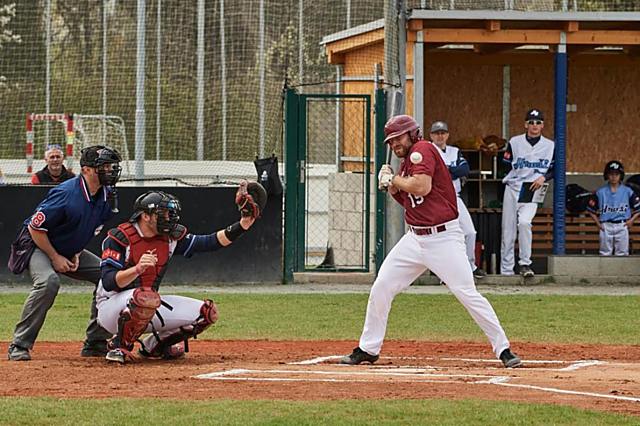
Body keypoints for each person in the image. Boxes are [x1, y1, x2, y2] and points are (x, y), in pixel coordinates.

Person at [340, 115, 521, 368]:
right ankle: (369, 348)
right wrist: (393, 189)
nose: (394, 145)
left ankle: (503, 349)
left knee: (467, 293)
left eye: (398, 138)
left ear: (412, 134)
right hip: (414, 239)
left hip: (444, 239)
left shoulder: (423, 149)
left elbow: (422, 187)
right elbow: (411, 201)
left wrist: (394, 180)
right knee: (382, 286)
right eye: (390, 141)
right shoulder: (406, 164)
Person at [97, 182, 265, 364]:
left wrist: (243, 224)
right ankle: (119, 346)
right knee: (145, 297)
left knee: (206, 313)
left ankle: (154, 346)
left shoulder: (170, 238)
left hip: (146, 301)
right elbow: (108, 282)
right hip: (111, 307)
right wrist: (137, 269)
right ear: (145, 216)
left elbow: (209, 242)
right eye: (163, 213)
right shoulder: (120, 237)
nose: (169, 217)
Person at [7, 145, 122, 361]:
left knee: (110, 276)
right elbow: (35, 227)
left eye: (111, 166)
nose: (110, 170)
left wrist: (76, 252)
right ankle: (19, 344)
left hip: (68, 248)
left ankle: (96, 342)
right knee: (49, 282)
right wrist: (54, 257)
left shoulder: (107, 195)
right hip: (38, 245)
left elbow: (90, 229)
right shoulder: (66, 193)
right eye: (104, 166)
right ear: (87, 170)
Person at [500, 108, 555, 278]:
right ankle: (506, 271)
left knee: (524, 223)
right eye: (531, 122)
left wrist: (544, 177)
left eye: (538, 122)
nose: (534, 125)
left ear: (543, 125)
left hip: (532, 189)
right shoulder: (515, 142)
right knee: (508, 231)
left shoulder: (550, 145)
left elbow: (555, 168)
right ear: (526, 124)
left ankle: (525, 264)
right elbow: (505, 163)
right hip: (513, 187)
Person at [430, 121, 486, 279]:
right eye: (436, 133)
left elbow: (464, 169)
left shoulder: (454, 151)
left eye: (443, 133)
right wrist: (450, 171)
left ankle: (470, 266)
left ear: (447, 135)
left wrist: (445, 170)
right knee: (441, 237)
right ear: (431, 135)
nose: (440, 136)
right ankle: (443, 272)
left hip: (454, 197)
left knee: (469, 232)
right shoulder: (428, 150)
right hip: (435, 199)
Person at [587, 161, 640, 256]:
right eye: (611, 174)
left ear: (621, 175)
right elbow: (591, 209)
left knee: (623, 253)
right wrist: (598, 223)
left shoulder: (627, 191)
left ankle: (621, 271)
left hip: (622, 224)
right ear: (607, 175)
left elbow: (638, 208)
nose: (614, 177)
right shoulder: (601, 192)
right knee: (604, 253)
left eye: (616, 174)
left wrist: (631, 220)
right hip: (606, 225)